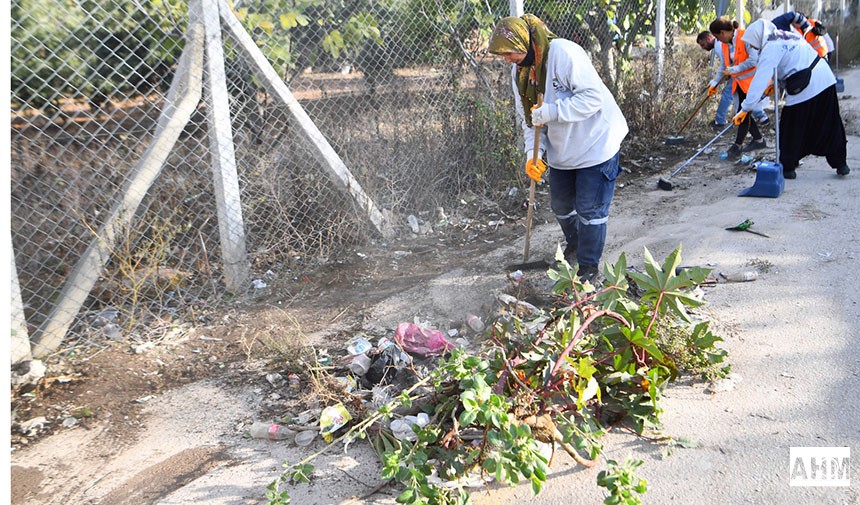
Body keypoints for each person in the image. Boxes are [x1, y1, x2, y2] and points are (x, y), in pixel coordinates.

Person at [488, 14, 628, 282]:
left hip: (597, 141)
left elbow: (593, 98)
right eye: (502, 55)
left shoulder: (563, 53)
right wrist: (533, 155)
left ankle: (588, 267)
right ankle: (575, 245)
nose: (506, 59)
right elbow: (529, 121)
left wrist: (551, 111)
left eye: (509, 52)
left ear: (524, 42)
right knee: (561, 205)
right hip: (563, 150)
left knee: (590, 209)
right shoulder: (519, 74)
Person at [735, 19, 849, 179]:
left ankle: (788, 167)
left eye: (753, 44)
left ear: (758, 37)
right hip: (825, 78)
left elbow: (759, 80)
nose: (752, 47)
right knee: (830, 123)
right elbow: (792, 60)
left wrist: (746, 108)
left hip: (806, 85)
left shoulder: (770, 48)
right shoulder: (786, 35)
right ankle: (841, 164)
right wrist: (774, 84)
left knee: (791, 126)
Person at [709, 17, 768, 159]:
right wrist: (714, 83)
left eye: (717, 36)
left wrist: (735, 69)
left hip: (753, 82)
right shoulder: (724, 45)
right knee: (743, 112)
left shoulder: (746, 37)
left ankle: (737, 146)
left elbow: (753, 60)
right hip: (740, 83)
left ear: (723, 32)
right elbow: (724, 66)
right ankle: (758, 140)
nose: (717, 40)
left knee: (744, 112)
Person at [696, 31, 768, 128]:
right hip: (738, 70)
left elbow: (724, 65)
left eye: (703, 44)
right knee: (744, 95)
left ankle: (720, 120)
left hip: (739, 71)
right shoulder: (721, 44)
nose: (703, 48)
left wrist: (717, 81)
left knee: (728, 94)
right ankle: (760, 116)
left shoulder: (718, 45)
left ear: (709, 38)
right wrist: (716, 80)